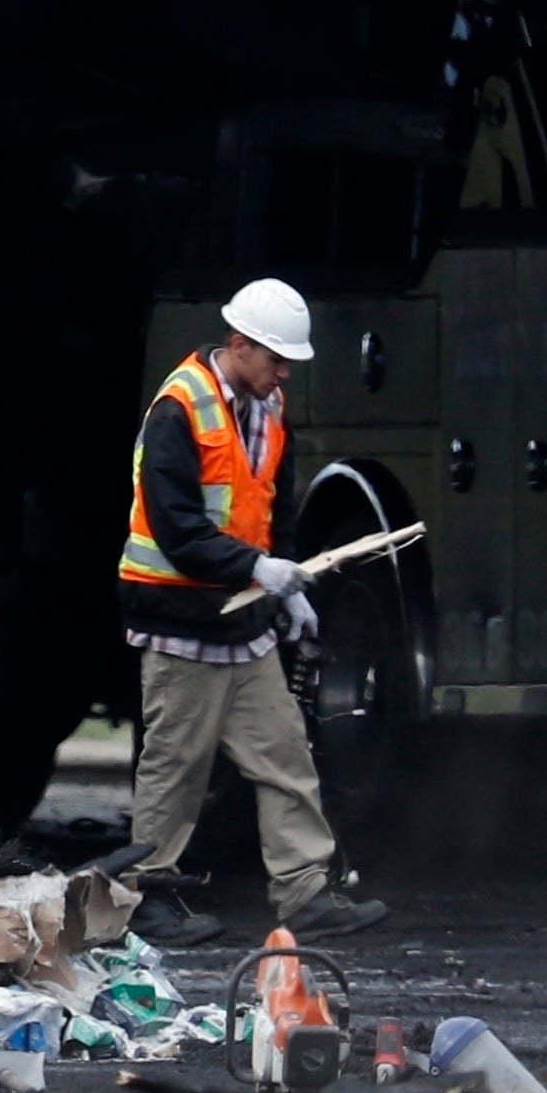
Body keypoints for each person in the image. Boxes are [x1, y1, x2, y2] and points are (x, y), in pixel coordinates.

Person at [119, 279, 386, 944]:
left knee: (284, 756)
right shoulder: (177, 411)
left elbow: (271, 513)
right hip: (179, 623)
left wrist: (286, 586)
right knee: (174, 771)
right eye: (273, 358)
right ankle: (143, 899)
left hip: (241, 625)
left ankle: (303, 893)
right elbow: (177, 529)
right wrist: (257, 571)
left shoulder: (267, 410)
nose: (282, 371)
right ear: (237, 346)